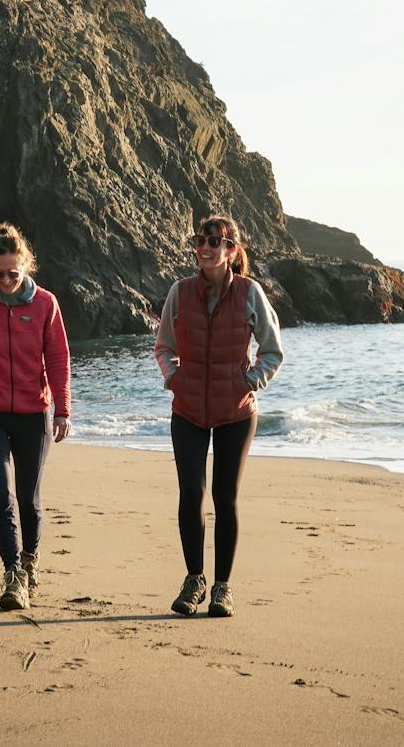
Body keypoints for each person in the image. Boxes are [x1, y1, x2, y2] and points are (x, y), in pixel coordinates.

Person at [155, 214, 283, 618]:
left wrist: (249, 382)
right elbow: (163, 345)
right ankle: (195, 580)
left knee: (225, 499)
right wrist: (174, 378)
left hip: (235, 412)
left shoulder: (249, 293)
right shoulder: (180, 292)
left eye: (215, 241)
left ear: (231, 249)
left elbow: (273, 349)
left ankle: (222, 588)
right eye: (200, 240)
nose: (205, 247)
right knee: (191, 494)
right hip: (188, 409)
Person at [0, 222, 71, 611]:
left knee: (28, 498)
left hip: (33, 415)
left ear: (26, 267)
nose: (5, 280)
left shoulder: (45, 305)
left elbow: (57, 359)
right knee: (2, 495)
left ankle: (31, 560)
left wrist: (63, 410)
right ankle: (13, 574)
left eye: (12, 273)